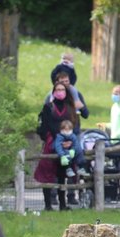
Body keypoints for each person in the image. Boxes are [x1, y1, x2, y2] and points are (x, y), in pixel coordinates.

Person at [33, 81, 78, 211]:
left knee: (62, 175)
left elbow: (74, 124)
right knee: (47, 173)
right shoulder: (48, 107)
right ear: (53, 92)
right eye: (57, 89)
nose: (60, 92)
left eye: (62, 89)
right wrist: (58, 137)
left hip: (68, 141)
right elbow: (45, 125)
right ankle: (48, 204)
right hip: (51, 142)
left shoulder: (69, 107)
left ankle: (63, 204)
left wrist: (68, 139)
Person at [53, 119, 84, 206]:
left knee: (80, 151)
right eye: (65, 130)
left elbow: (75, 143)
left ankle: (81, 166)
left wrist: (74, 149)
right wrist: (62, 154)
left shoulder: (73, 136)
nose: (67, 132)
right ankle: (68, 168)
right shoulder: (59, 137)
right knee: (66, 153)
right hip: (64, 153)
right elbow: (57, 146)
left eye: (68, 129)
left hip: (72, 151)